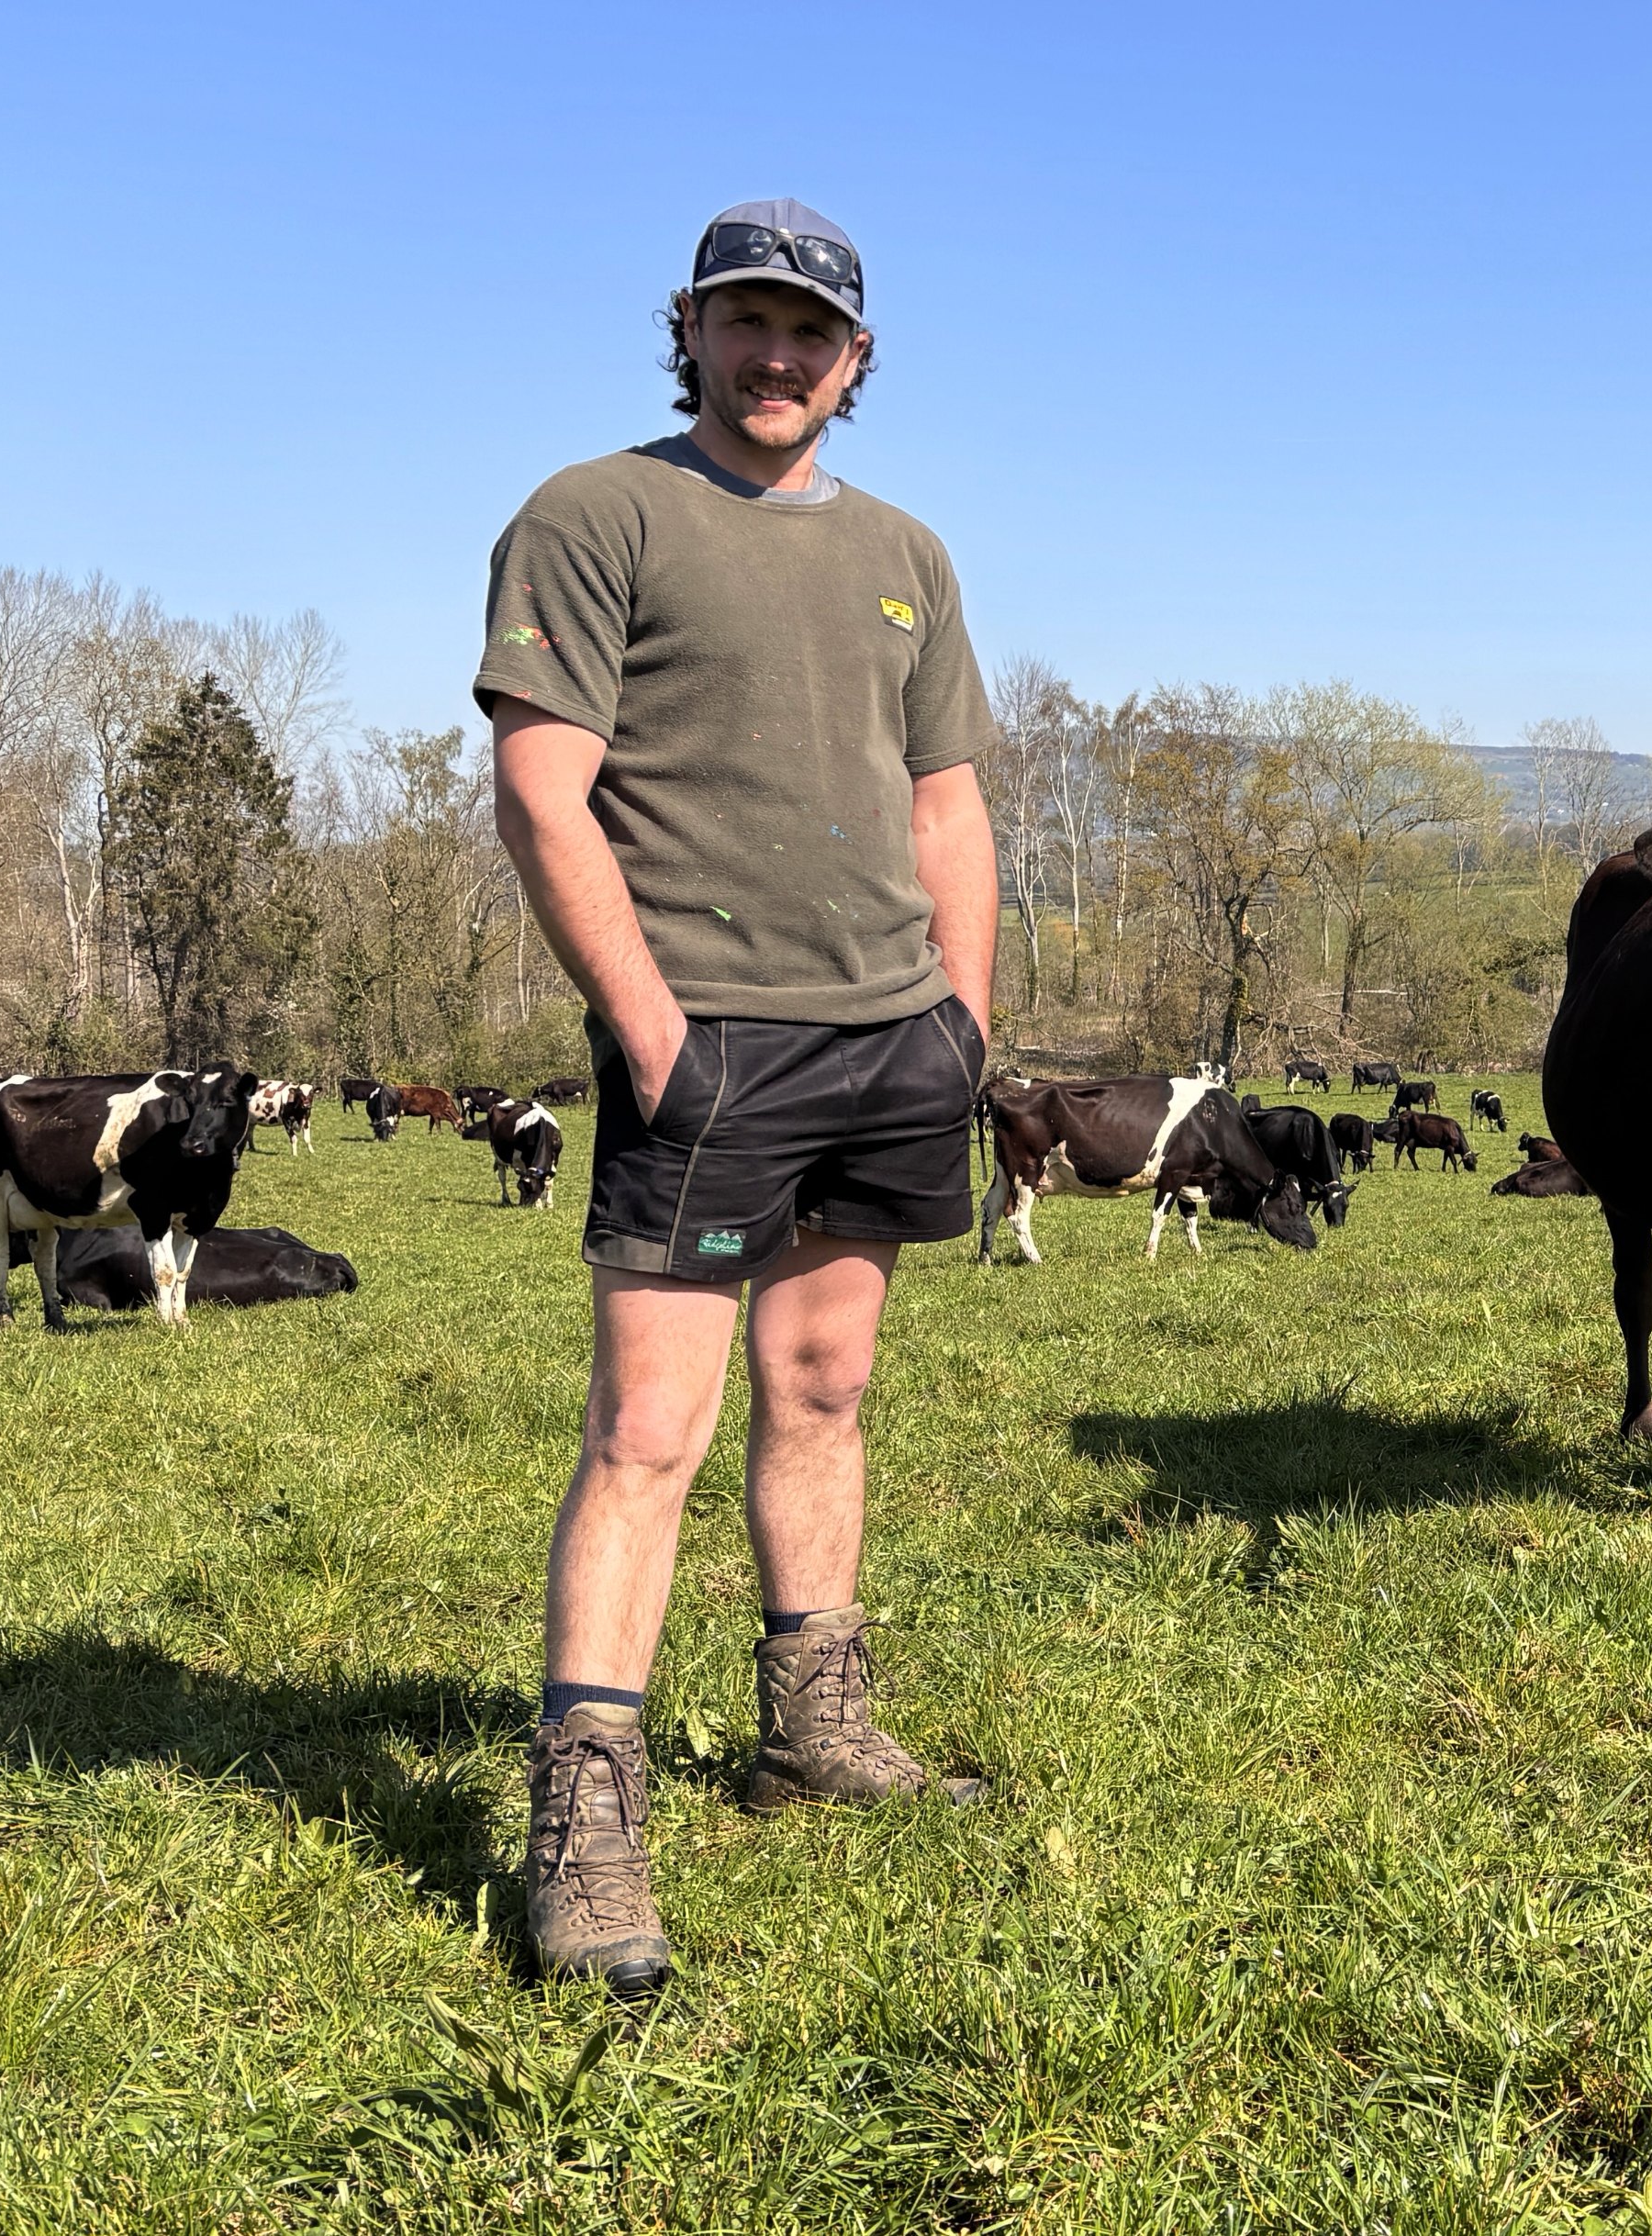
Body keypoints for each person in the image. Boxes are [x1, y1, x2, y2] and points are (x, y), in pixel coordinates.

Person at [482, 197, 999, 1997]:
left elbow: (945, 803)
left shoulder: (907, 553)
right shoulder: (593, 515)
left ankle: (811, 1723)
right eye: (748, 323)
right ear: (689, 329)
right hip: (707, 1038)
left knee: (826, 1384)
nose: (780, 358)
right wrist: (647, 1029)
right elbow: (546, 789)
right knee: (648, 1432)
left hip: (887, 1038)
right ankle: (589, 1824)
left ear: (856, 363)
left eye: (815, 334)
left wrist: (964, 1023)